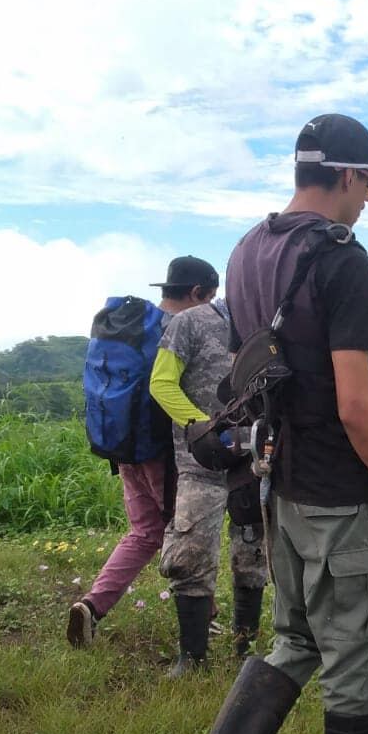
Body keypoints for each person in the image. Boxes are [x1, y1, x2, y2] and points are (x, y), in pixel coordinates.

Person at [177, 113, 368, 734]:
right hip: (342, 493)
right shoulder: (339, 258)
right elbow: (358, 406)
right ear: (352, 176)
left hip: (279, 485)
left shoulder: (246, 251)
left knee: (295, 639)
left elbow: (254, 371)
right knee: (358, 658)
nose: (366, 202)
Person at [67, 257, 217, 649]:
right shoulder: (177, 330)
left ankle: (91, 606)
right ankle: (204, 620)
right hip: (160, 452)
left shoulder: (132, 326)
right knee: (185, 533)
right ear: (198, 293)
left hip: (123, 445)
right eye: (210, 298)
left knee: (146, 531)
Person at [147, 265, 269, 673]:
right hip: (199, 463)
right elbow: (161, 382)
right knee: (191, 551)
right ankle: (192, 657)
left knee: (252, 554)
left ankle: (243, 647)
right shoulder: (190, 322)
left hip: (253, 462)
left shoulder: (271, 329)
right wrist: (200, 426)